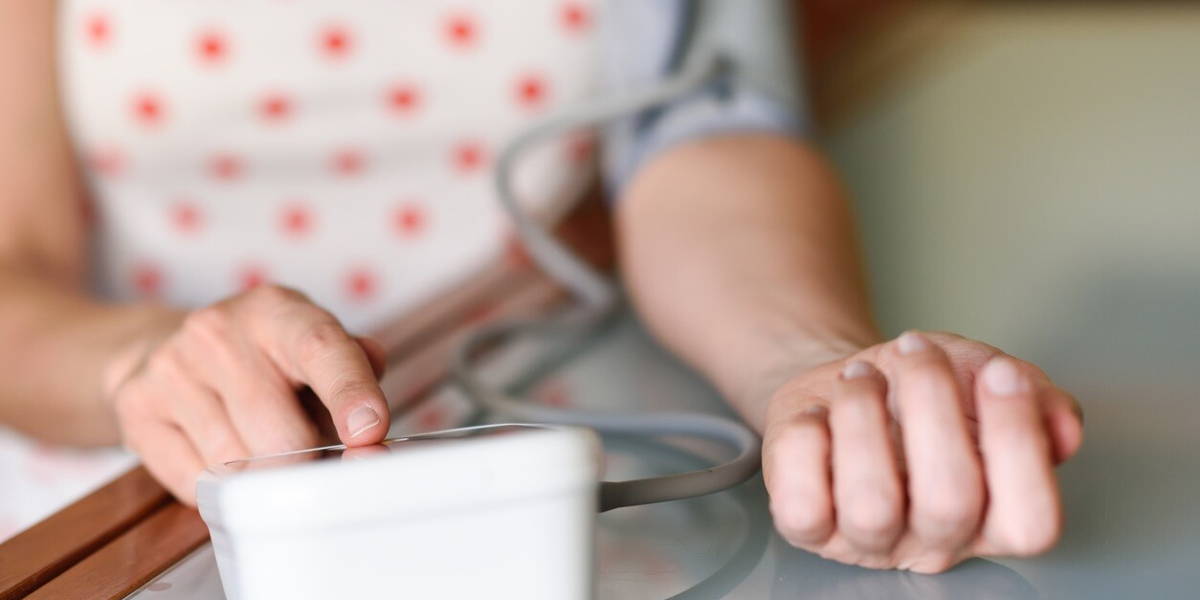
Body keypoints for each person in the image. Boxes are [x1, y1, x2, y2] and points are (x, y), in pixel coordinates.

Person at [0, 0, 1082, 574]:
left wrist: (808, 366)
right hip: (122, 504)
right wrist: (144, 364)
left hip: (532, 455)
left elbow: (706, 133)